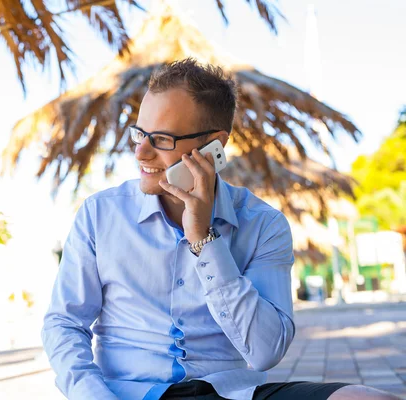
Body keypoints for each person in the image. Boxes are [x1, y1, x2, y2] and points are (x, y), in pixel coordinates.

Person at [41, 58, 399, 400]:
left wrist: (204, 241)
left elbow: (264, 352)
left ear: (215, 146)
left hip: (230, 392)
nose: (141, 152)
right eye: (140, 134)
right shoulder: (99, 215)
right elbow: (64, 324)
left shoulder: (263, 225)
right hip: (127, 391)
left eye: (162, 139)